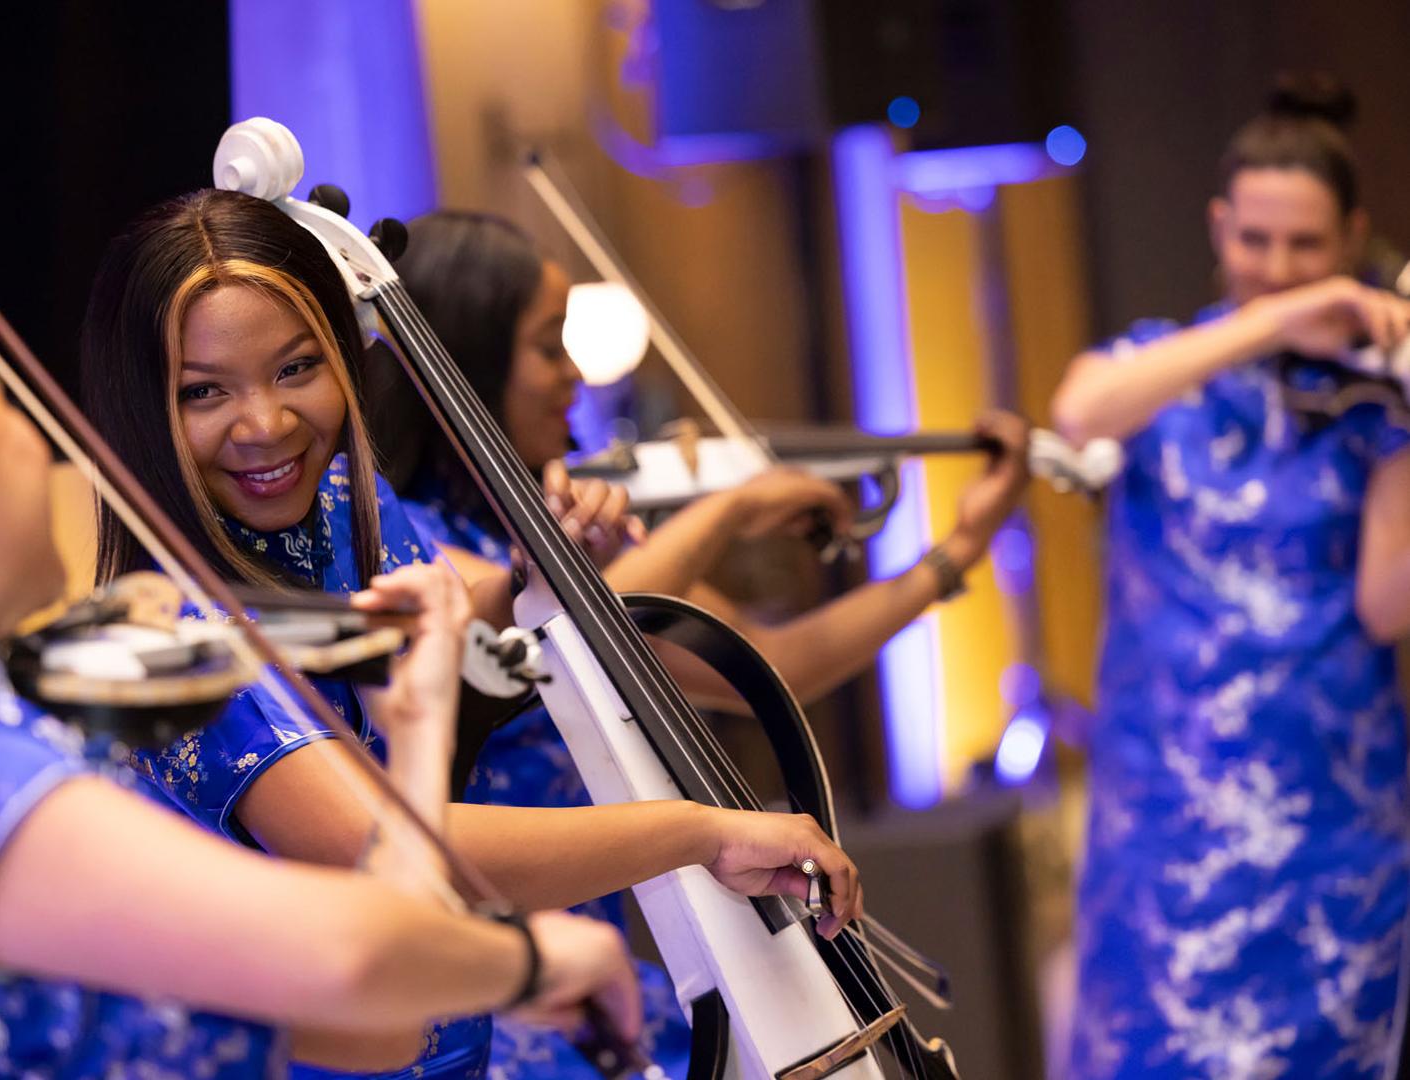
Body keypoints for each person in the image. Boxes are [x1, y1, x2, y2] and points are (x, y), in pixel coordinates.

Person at [77, 188, 869, 1080]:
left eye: (297, 368)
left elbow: (460, 609)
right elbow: (378, 845)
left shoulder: (351, 508)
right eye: (203, 391)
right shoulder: (179, 634)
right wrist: (701, 833)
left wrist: (541, 570)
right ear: (141, 407)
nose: (265, 423)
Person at [0, 292, 643, 1077]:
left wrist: (415, 733)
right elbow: (351, 960)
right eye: (4, 408)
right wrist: (524, 959)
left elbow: (374, 1027)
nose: (43, 442)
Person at [371, 209, 1030, 1078]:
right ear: (466, 360)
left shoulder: (550, 520)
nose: (574, 375)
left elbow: (763, 662)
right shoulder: (412, 542)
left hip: (608, 964)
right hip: (500, 991)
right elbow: (570, 620)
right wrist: (732, 511)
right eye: (547, 347)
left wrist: (952, 556)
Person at [1050, 77, 1410, 1079]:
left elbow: (1384, 606)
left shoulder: (1378, 401)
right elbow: (1078, 414)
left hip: (1330, 835)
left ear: (1351, 238)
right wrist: (1273, 320)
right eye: (1254, 241)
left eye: (1305, 247)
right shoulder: (1159, 368)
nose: (1277, 268)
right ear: (1217, 227)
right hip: (1166, 827)